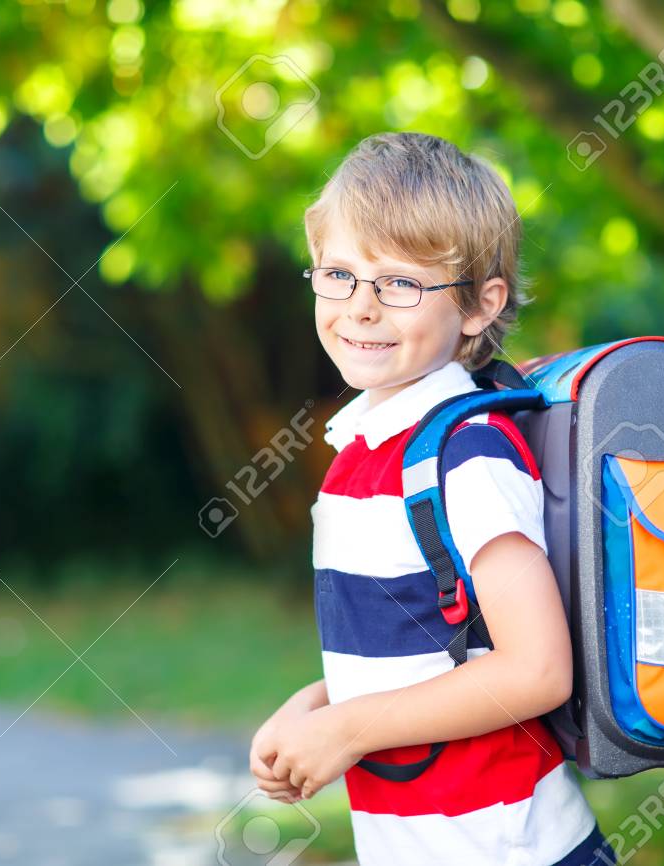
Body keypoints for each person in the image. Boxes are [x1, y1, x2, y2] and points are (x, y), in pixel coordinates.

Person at [249, 132, 615, 866]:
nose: (360, 308)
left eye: (401, 284)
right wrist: (319, 708)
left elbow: (536, 669)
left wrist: (348, 731)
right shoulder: (365, 449)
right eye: (339, 274)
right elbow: (428, 649)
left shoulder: (466, 456)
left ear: (481, 306)